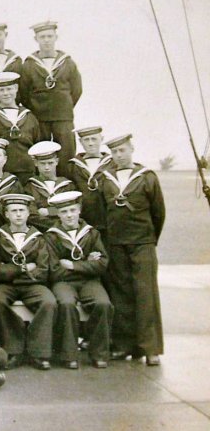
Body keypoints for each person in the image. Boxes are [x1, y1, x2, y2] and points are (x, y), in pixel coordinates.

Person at [100, 134, 165, 366]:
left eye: (123, 151)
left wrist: (148, 240)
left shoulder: (147, 177)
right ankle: (124, 345)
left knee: (145, 294)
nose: (119, 155)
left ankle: (150, 348)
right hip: (117, 243)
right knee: (122, 294)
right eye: (115, 152)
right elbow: (103, 213)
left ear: (132, 149)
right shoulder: (106, 179)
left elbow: (158, 214)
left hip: (142, 243)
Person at [46, 191, 112, 369]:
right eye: (64, 212)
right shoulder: (52, 236)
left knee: (103, 304)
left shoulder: (91, 234)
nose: (69, 215)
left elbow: (102, 263)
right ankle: (69, 354)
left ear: (79, 211)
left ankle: (99, 354)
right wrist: (87, 264)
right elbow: (54, 271)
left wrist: (74, 266)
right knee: (66, 304)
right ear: (58, 214)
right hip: (64, 283)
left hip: (90, 283)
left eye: (72, 210)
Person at [0, 193, 56, 370]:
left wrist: (9, 269)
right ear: (7, 214)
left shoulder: (39, 237)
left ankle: (38, 353)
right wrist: (25, 268)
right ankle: (14, 350)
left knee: (48, 302)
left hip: (33, 285)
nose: (18, 214)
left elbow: (43, 270)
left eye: (21, 210)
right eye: (13, 211)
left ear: (28, 214)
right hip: (6, 286)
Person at [21, 21, 82, 174]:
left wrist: (64, 105)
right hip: (39, 118)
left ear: (56, 37)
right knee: (42, 152)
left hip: (63, 117)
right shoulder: (29, 64)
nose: (46, 40)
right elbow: (23, 92)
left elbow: (76, 90)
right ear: (36, 39)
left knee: (66, 152)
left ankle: (67, 183)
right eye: (42, 37)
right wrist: (36, 109)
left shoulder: (68, 62)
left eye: (49, 36)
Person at [0, 71, 40, 183]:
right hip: (1, 173)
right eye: (1, 90)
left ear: (16, 88)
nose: (6, 93)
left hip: (26, 171)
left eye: (9, 89)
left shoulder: (29, 116)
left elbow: (37, 144)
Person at [66, 126, 112, 235]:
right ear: (80, 142)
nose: (90, 143)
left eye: (94, 139)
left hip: (109, 221)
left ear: (102, 139)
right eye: (86, 140)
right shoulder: (73, 166)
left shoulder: (112, 163)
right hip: (84, 222)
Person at [24, 141, 76, 231]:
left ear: (57, 161)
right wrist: (59, 224)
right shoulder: (30, 186)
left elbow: (74, 209)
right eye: (43, 164)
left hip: (67, 231)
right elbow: (31, 215)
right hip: (41, 231)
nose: (47, 167)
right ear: (36, 163)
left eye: (50, 163)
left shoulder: (67, 185)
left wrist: (48, 212)